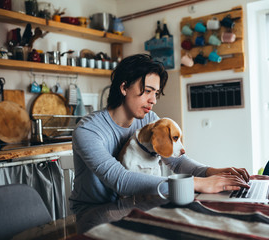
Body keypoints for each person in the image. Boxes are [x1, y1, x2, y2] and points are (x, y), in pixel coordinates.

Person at [69, 54, 250, 212]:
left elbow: (177, 162)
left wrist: (211, 172)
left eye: (156, 93)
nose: (153, 100)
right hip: (93, 214)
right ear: (124, 88)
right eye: (147, 91)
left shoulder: (149, 119)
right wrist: (196, 183)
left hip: (136, 206)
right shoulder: (88, 130)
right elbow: (120, 181)